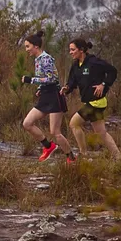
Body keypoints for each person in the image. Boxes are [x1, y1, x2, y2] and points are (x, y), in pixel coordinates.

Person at [61, 38, 121, 160]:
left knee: (74, 124)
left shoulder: (94, 62)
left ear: (81, 50)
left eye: (73, 50)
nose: (70, 52)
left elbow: (112, 71)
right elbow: (72, 82)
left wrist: (103, 84)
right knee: (101, 132)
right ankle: (119, 156)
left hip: (97, 102)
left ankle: (84, 154)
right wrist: (66, 89)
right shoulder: (75, 65)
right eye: (70, 50)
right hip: (91, 102)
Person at [20, 30, 75, 162]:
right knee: (27, 123)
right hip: (45, 96)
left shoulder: (46, 58)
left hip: (55, 96)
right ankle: (48, 146)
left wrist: (31, 80)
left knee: (55, 132)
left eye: (28, 46)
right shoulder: (37, 59)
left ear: (36, 46)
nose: (27, 49)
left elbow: (51, 79)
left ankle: (71, 157)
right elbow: (43, 78)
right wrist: (40, 88)